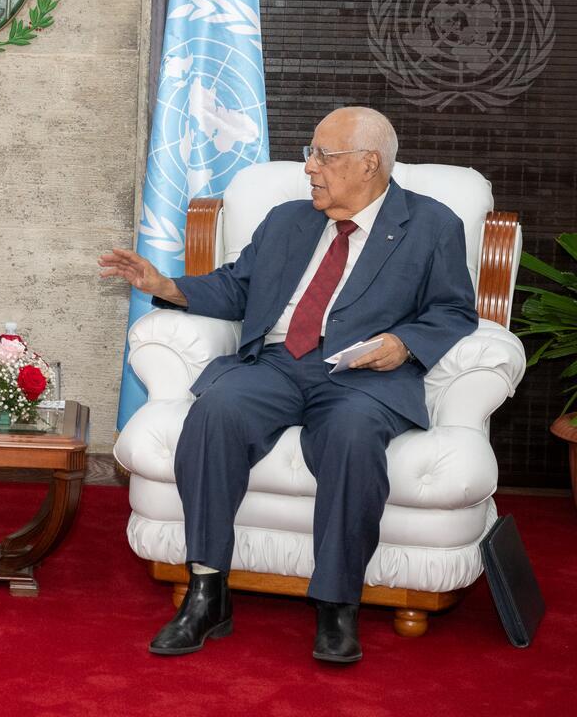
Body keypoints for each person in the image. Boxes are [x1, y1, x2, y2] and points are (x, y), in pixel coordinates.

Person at [98, 107, 476, 663]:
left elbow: (453, 310)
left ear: (369, 163)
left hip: (359, 374)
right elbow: (236, 288)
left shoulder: (431, 224)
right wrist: (167, 285)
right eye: (309, 153)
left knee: (351, 436)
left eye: (323, 155)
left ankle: (337, 605)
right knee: (215, 412)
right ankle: (207, 592)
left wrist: (403, 343)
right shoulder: (286, 220)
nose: (309, 167)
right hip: (276, 364)